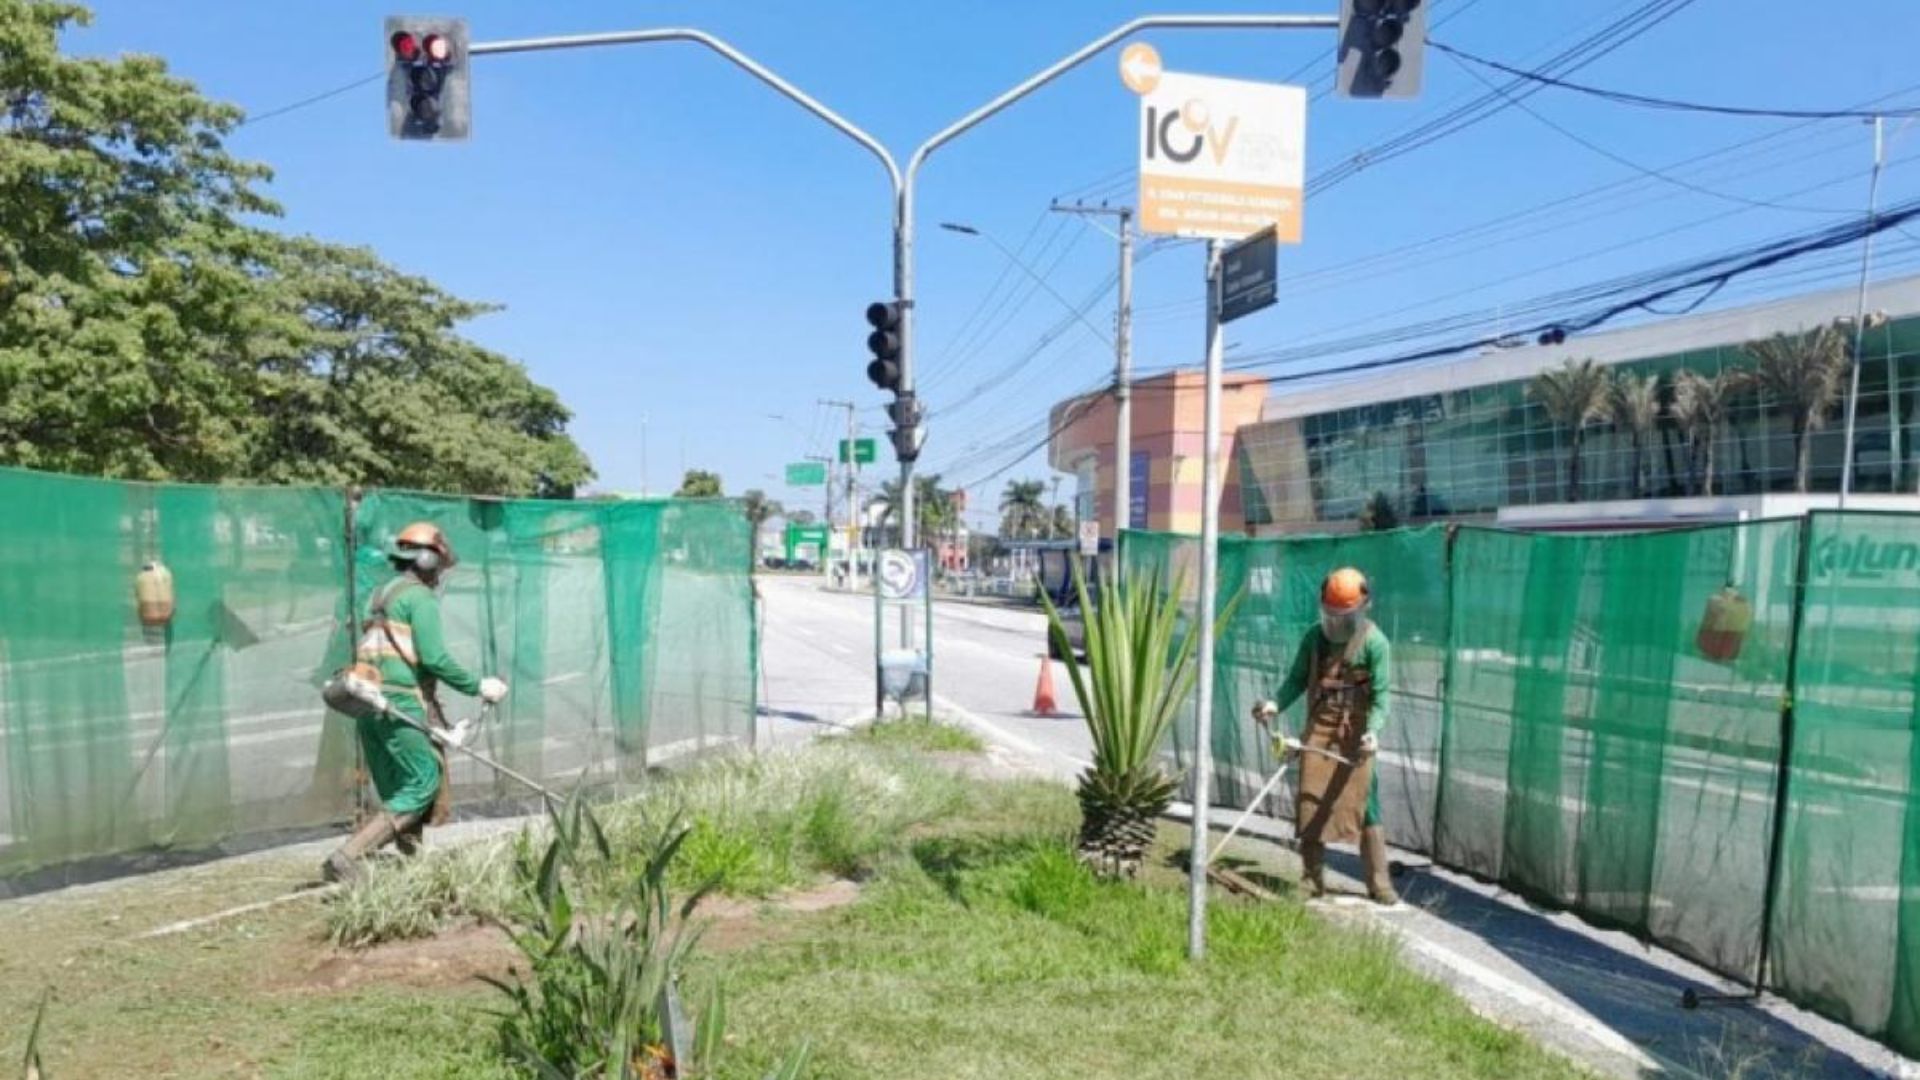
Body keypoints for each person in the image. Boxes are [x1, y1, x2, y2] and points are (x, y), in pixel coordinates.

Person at [322, 522, 508, 883]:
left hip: (367, 702)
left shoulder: (378, 596)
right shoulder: (418, 598)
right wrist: (478, 686)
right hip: (398, 702)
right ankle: (346, 858)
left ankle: (415, 869)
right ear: (426, 558)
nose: (439, 574)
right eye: (438, 565)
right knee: (423, 783)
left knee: (399, 789)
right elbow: (434, 658)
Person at [1252, 566, 1398, 906]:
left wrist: (1373, 732)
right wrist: (1276, 703)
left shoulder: (1375, 644)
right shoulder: (1313, 638)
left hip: (1357, 735)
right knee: (1310, 803)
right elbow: (1296, 680)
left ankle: (1379, 883)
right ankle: (1311, 879)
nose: (1337, 624)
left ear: (1363, 608)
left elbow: (1381, 696)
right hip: (1319, 730)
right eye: (1332, 616)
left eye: (1344, 617)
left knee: (1367, 805)